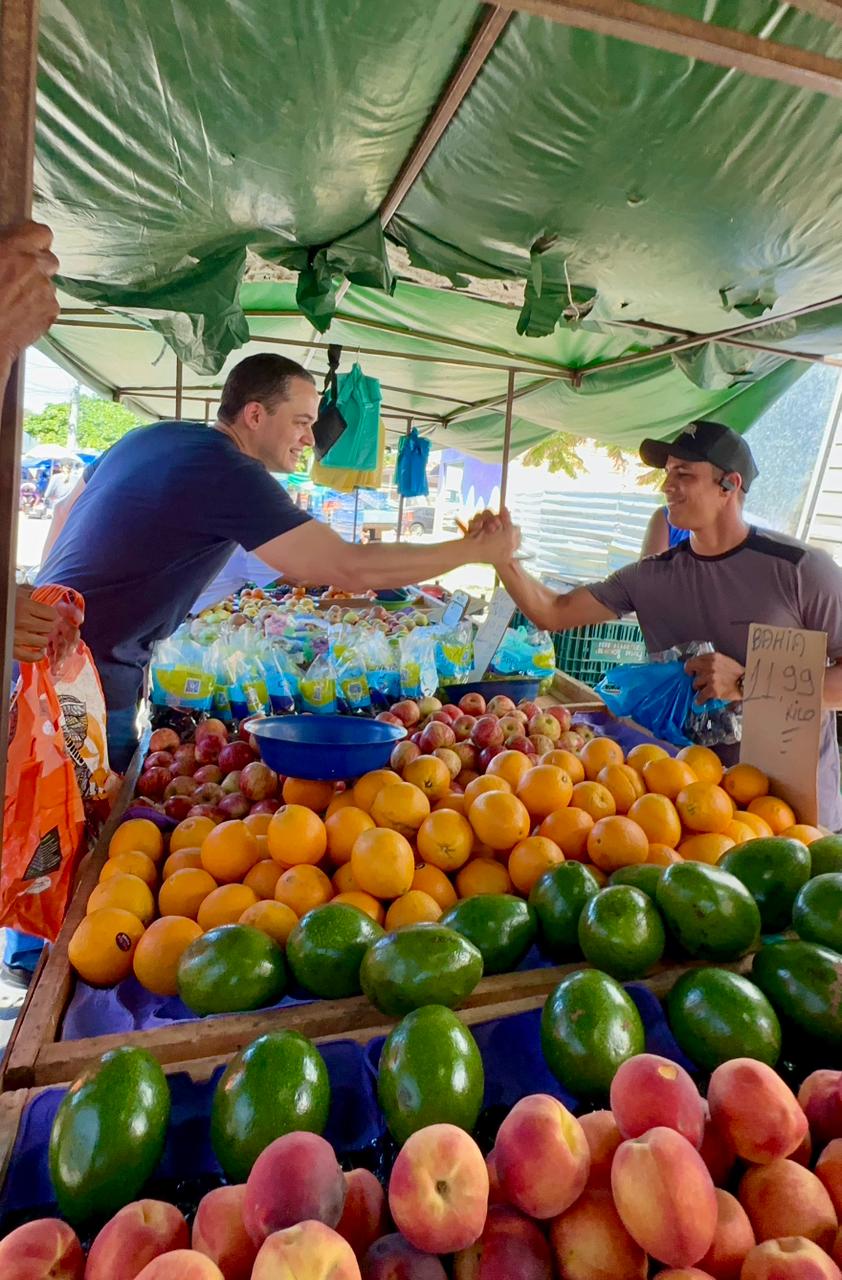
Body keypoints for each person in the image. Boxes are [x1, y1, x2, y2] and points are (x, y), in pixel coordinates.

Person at [39, 352, 519, 769]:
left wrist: (45, 607)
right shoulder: (230, 472)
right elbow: (346, 567)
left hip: (41, 651)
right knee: (73, 836)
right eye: (302, 422)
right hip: (86, 676)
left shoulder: (153, 437)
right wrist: (472, 551)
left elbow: (64, 512)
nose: (310, 440)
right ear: (253, 415)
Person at [477, 420, 842, 831]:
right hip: (686, 807)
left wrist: (749, 682)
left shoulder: (801, 570)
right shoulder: (651, 577)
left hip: (795, 810)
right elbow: (555, 611)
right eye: (668, 473)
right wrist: (500, 558)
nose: (668, 486)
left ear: (729, 485)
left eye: (684, 474)